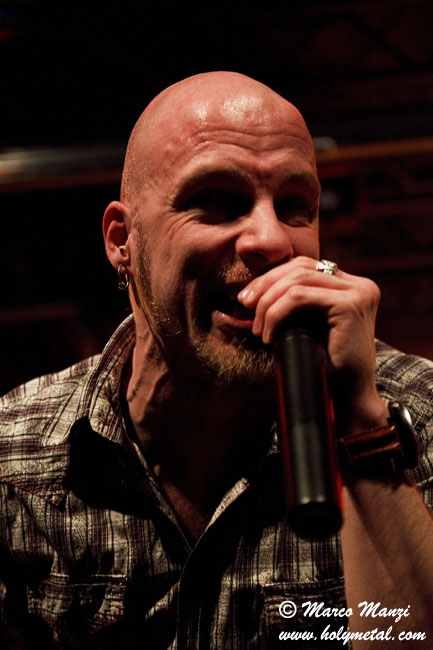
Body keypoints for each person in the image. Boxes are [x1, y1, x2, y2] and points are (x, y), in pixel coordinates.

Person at [1, 71, 433, 650]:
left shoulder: (419, 417)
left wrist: (361, 426)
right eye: (216, 202)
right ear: (122, 240)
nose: (271, 240)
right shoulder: (14, 458)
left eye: (294, 206)